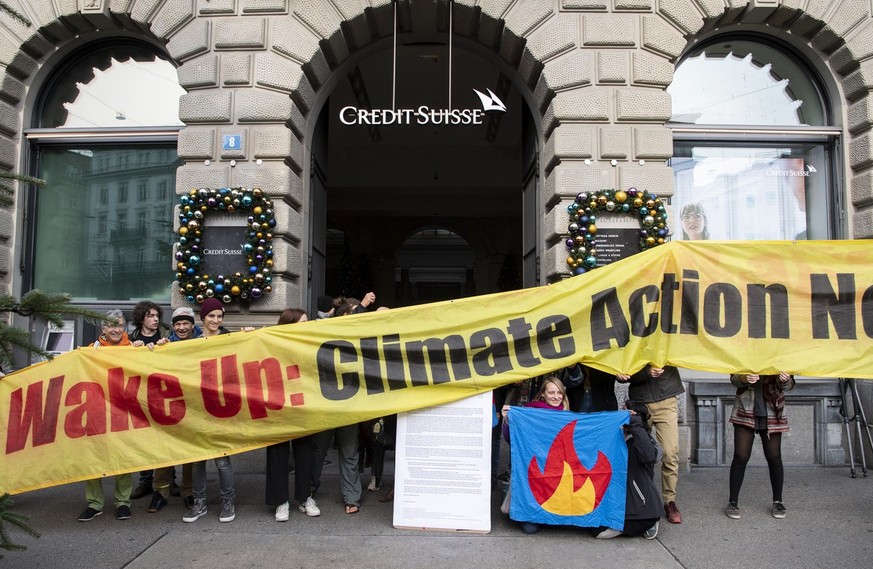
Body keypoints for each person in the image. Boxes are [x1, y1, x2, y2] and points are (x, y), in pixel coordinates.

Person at [183, 298, 238, 523]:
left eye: (219, 316)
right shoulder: (191, 342)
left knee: (222, 459)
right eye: (211, 316)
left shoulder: (229, 339)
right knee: (198, 459)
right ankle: (199, 502)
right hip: (197, 407)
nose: (215, 320)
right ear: (203, 318)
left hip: (222, 406)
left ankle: (228, 501)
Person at [265, 308, 321, 521]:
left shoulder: (310, 343)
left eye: (307, 321)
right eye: (301, 322)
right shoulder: (270, 342)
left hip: (302, 406)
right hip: (277, 406)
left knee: (305, 454)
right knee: (277, 455)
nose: (306, 325)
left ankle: (305, 497)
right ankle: (281, 501)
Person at [78, 309, 134, 522]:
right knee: (94, 457)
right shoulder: (91, 350)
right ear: (103, 328)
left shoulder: (133, 348)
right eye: (111, 325)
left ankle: (123, 503)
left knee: (123, 457)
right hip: (96, 410)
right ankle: (94, 504)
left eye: (119, 325)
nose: (116, 329)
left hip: (122, 410)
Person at [616, 365, 685, 524]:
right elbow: (622, 368)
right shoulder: (634, 340)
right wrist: (642, 373)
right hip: (640, 401)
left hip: (666, 399)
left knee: (670, 452)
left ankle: (669, 501)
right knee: (640, 452)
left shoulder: (670, 339)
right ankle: (644, 498)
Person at [500, 376, 569, 534]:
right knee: (530, 528)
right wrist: (508, 420)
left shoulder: (568, 416)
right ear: (543, 394)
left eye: (559, 393)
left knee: (555, 521)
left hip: (557, 474)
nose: (556, 396)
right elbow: (512, 439)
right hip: (535, 473)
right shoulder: (531, 412)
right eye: (551, 392)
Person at [147, 307, 200, 513]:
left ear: (192, 325)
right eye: (177, 323)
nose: (181, 327)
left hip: (194, 406)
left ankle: (188, 493)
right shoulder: (165, 344)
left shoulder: (204, 342)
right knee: (165, 451)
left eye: (185, 323)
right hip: (169, 406)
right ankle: (160, 493)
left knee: (190, 454)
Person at [725, 371, 795, 520]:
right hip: (745, 407)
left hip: (772, 409)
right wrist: (744, 378)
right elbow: (734, 379)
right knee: (740, 456)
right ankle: (733, 502)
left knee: (774, 456)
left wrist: (785, 379)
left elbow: (789, 385)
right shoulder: (744, 349)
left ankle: (778, 501)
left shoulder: (779, 353)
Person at [592, 401, 662, 540]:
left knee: (602, 531)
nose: (621, 414)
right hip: (617, 499)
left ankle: (651, 522)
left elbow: (649, 456)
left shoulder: (643, 438)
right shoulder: (616, 435)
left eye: (626, 412)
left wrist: (635, 423)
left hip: (640, 503)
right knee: (594, 530)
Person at [128, 301, 171, 501]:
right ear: (141, 318)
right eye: (150, 316)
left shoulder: (166, 334)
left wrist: (166, 346)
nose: (155, 319)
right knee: (144, 438)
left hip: (161, 394)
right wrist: (133, 349)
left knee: (164, 438)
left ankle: (169, 479)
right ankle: (145, 480)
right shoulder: (132, 338)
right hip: (140, 396)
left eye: (156, 316)